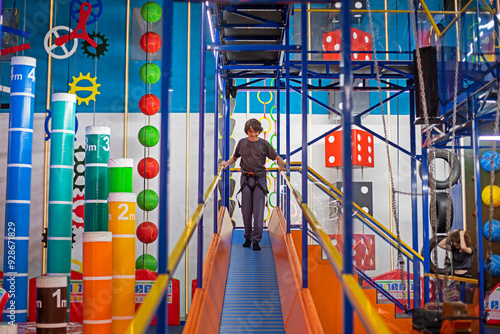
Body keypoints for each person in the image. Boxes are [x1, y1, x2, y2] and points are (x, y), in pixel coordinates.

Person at [219, 118, 286, 251]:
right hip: (245, 180)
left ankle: (256, 241)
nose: (253, 134)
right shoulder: (242, 143)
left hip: (260, 180)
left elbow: (277, 157)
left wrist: (281, 166)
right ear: (247, 131)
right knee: (246, 211)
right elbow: (235, 158)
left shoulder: (264, 144)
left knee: (259, 212)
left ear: (259, 131)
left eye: (255, 131)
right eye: (250, 131)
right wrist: (226, 163)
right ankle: (247, 238)